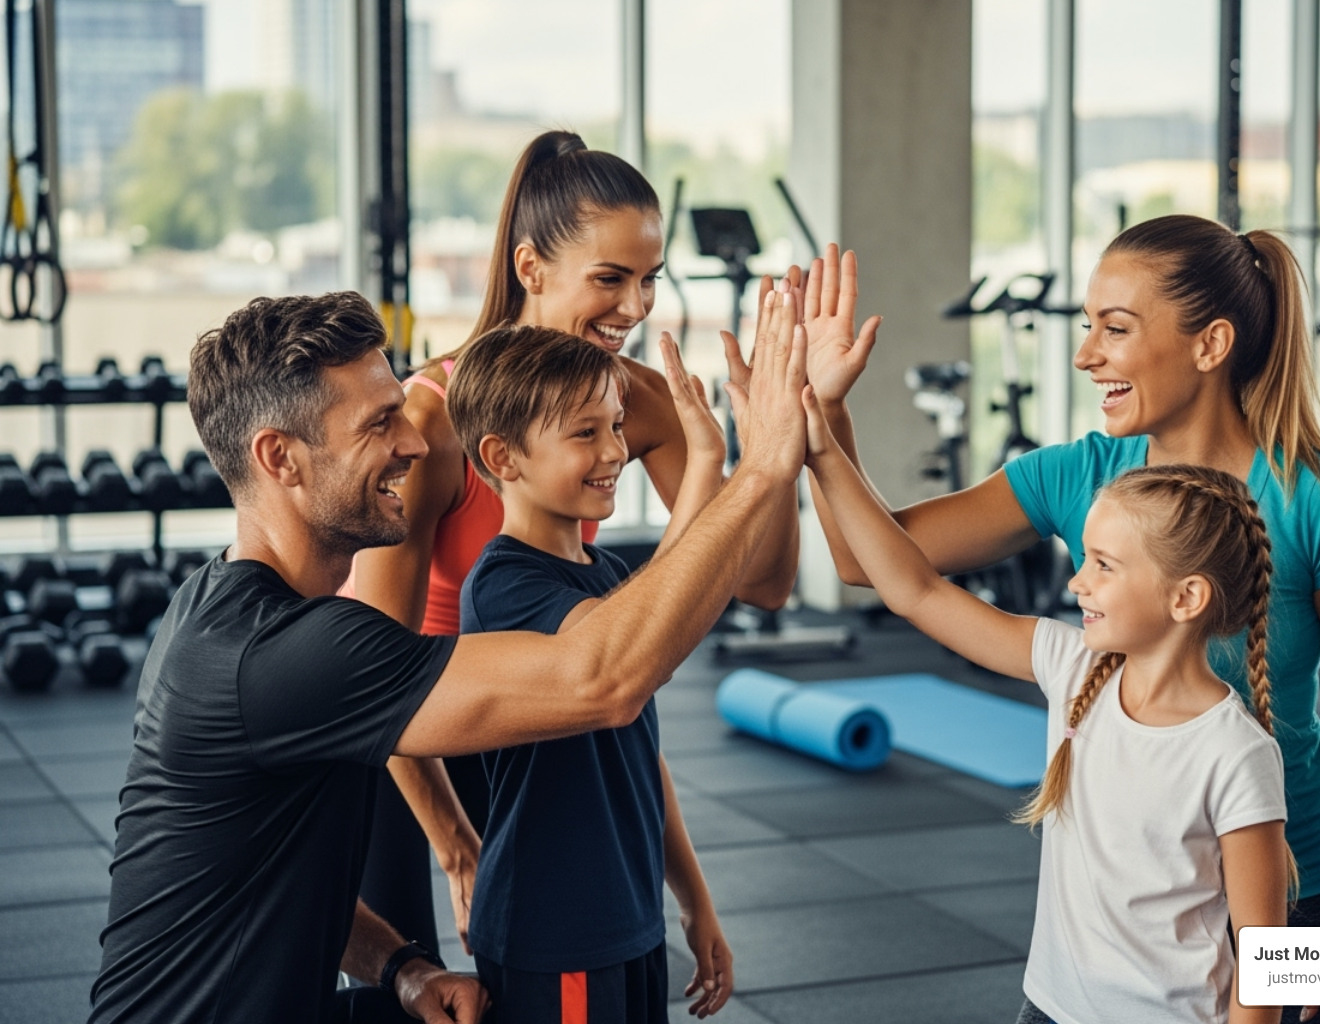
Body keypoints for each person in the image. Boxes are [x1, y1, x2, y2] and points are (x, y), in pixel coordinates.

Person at [87, 289, 809, 1024]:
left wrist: (399, 968)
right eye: (380, 423)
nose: (417, 442)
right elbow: (605, 680)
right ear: (281, 458)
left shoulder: (218, 603)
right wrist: (759, 469)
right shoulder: (284, 653)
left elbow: (262, 877)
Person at [802, 216, 1320, 1024]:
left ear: (1211, 343)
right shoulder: (1082, 474)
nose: (1085, 354)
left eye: (1115, 329)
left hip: (1311, 894)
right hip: (1136, 910)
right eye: (1088, 326)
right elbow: (872, 562)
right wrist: (824, 411)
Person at [346, 130, 802, 957]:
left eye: (649, 279)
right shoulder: (432, 422)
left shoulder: (638, 398)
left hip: (547, 709)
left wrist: (777, 442)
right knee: (406, 986)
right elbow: (373, 670)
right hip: (421, 738)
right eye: (610, 278)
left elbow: (763, 582)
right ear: (531, 268)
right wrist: (456, 849)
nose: (636, 306)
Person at [807, 397, 1291, 1023]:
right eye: (1084, 558)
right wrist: (823, 453)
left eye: (1104, 566)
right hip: (1050, 1007)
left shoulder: (1235, 753)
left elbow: (1262, 963)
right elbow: (916, 589)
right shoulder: (1072, 665)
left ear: (1186, 597)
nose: (1077, 582)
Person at [448, 324, 735, 1021]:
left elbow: (643, 759)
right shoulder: (504, 586)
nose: (615, 451)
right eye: (585, 433)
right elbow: (628, 651)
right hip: (556, 929)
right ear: (502, 457)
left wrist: (694, 900)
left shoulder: (605, 573)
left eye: (616, 426)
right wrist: (704, 467)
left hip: (628, 916)